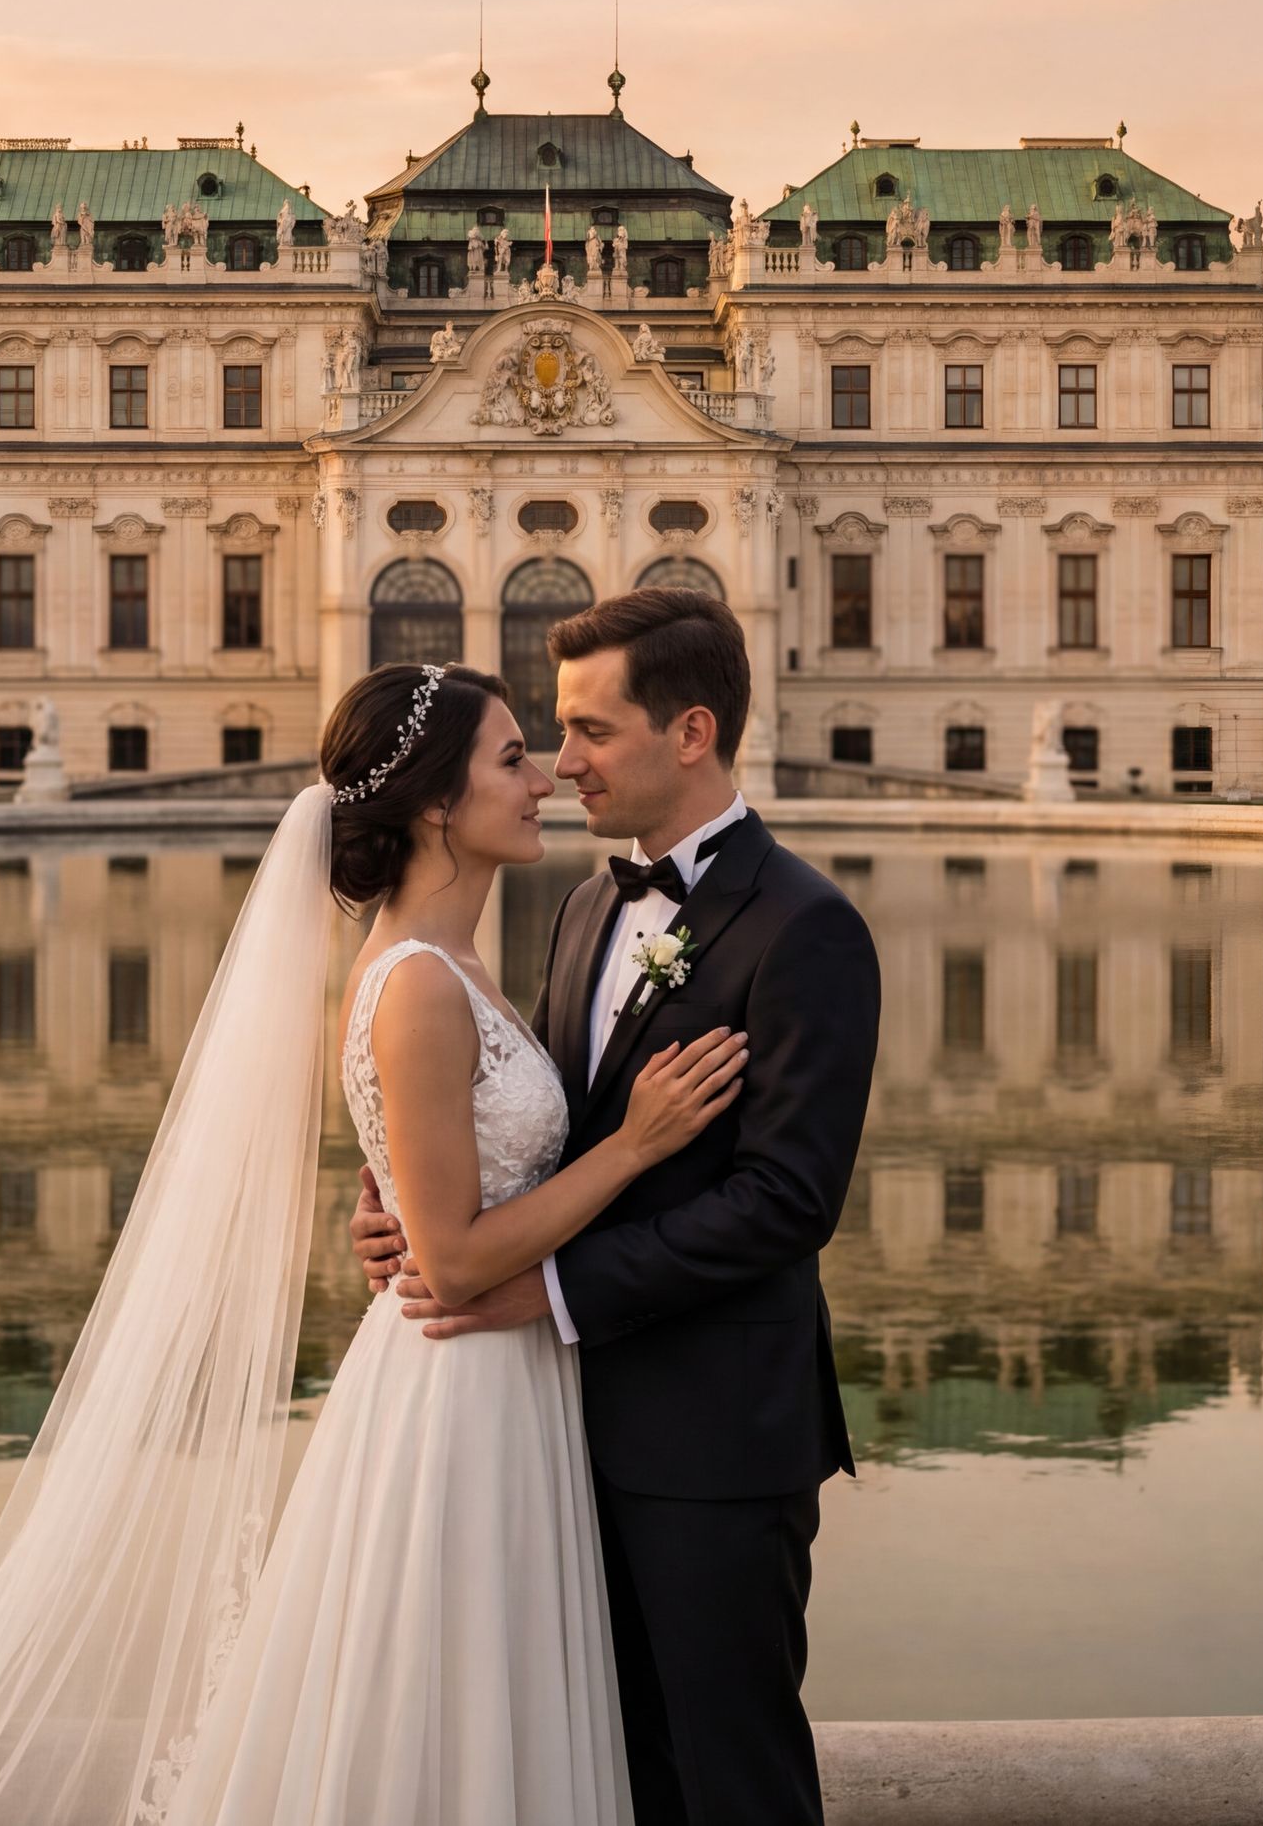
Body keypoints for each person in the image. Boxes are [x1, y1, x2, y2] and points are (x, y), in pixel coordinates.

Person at [0, 659, 753, 1826]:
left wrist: (403, 1199)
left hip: (502, 1379)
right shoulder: (419, 985)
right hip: (460, 1390)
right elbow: (452, 1262)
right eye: (513, 757)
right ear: (437, 803)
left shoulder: (457, 965)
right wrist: (635, 1147)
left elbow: (452, 1195)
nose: (548, 774)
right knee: (447, 1711)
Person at [355, 587, 883, 1824]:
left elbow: (785, 1204)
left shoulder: (809, 927)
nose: (560, 762)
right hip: (546, 1429)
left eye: (590, 730)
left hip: (711, 1443)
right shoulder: (589, 906)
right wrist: (405, 1207)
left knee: (729, 1772)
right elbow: (538, 1137)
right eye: (549, 734)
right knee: (606, 1773)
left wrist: (537, 1289)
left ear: (690, 733)